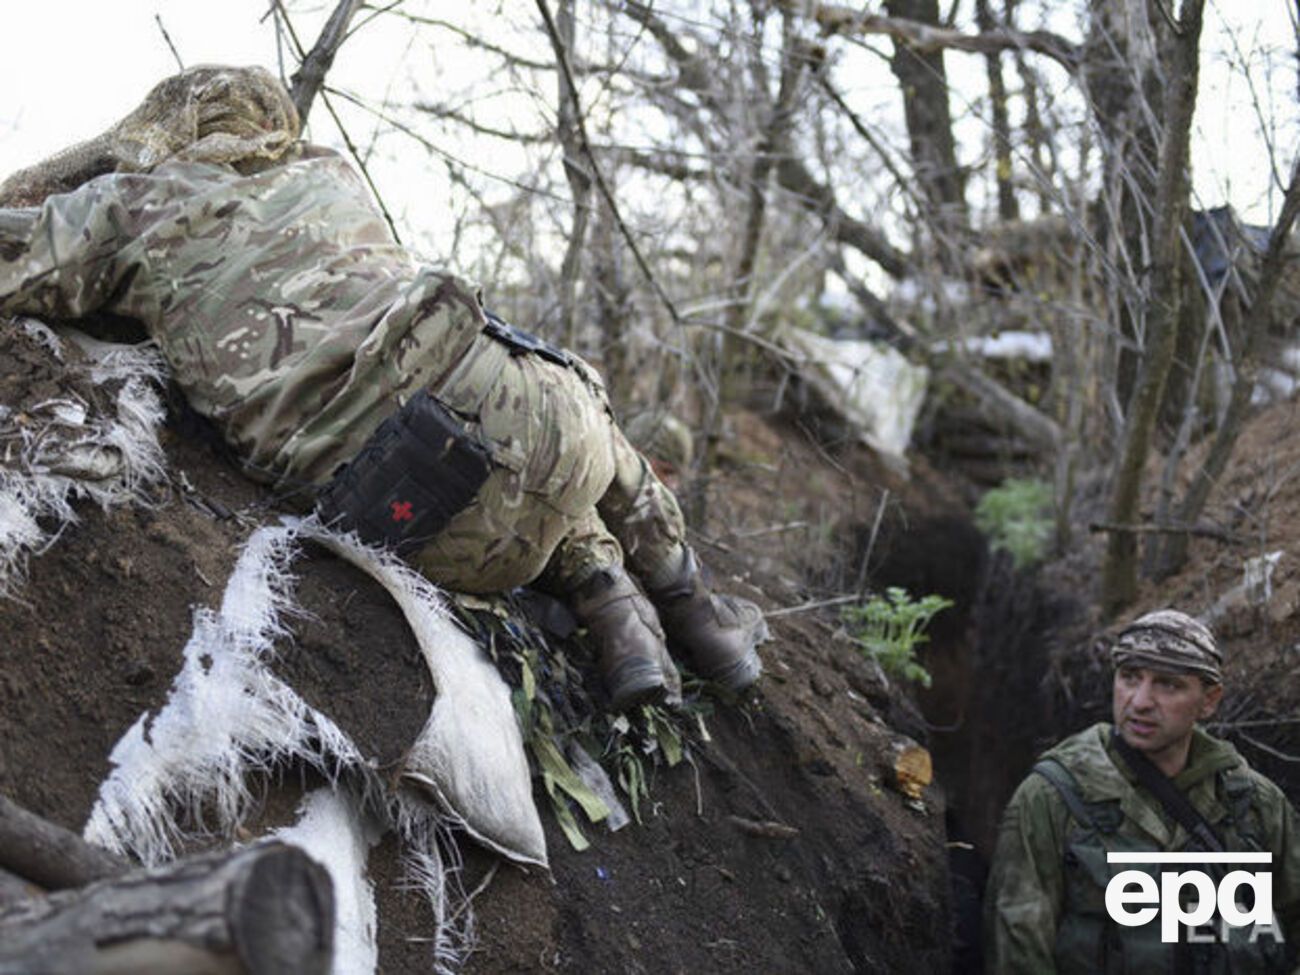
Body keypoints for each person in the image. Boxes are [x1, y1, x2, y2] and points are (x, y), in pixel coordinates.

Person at [0, 65, 766, 711]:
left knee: (444, 435)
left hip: (403, 517)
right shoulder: (329, 170)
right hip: (546, 427)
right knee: (513, 404)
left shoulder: (126, 207)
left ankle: (624, 609)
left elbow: (20, 263)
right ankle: (665, 606)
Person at [985, 609, 1300, 973]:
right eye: (1130, 677)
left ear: (1209, 700)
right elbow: (1017, 947)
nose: (1140, 701)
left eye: (1168, 684)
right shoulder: (1053, 797)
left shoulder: (1253, 803)